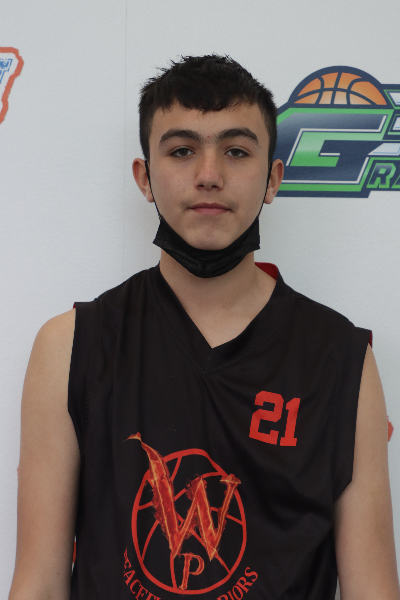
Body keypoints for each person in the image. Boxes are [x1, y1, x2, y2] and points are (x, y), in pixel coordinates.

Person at [8, 55, 400, 600]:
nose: (209, 174)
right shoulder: (70, 346)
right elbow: (40, 584)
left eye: (236, 151)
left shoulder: (341, 359)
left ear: (273, 178)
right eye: (182, 150)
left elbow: (373, 590)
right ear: (144, 177)